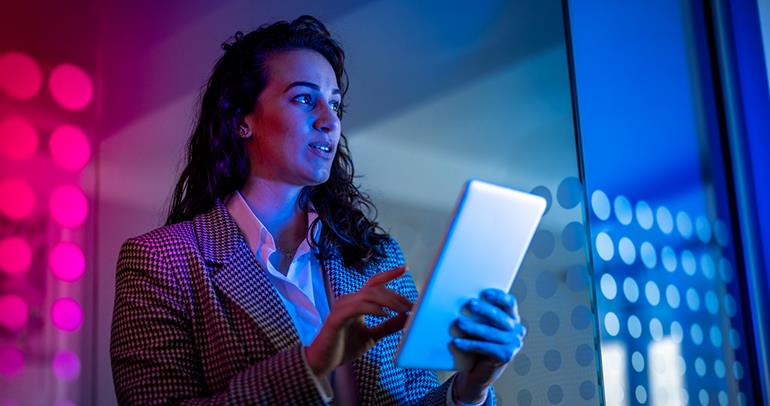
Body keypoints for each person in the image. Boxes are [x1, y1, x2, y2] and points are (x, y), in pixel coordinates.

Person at [110, 15, 525, 405]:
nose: (329, 120)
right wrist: (311, 364)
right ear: (242, 120)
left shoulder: (376, 257)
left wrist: (471, 388)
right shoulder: (162, 261)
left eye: (335, 104)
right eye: (305, 99)